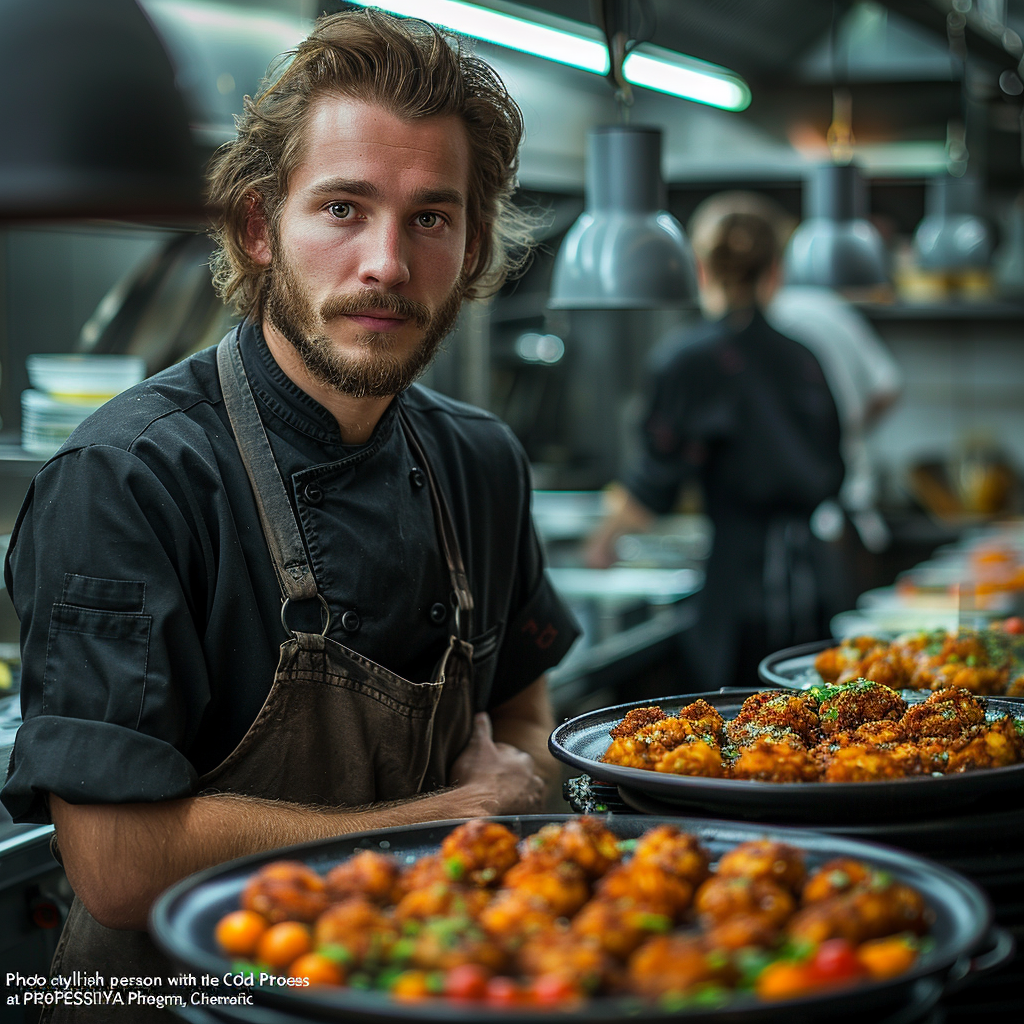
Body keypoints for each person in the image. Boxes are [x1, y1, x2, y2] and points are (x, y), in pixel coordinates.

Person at [1, 10, 579, 1018]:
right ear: (260, 228)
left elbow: (523, 713)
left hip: (422, 984)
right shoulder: (129, 477)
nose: (388, 264)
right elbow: (116, 862)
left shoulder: (480, 463)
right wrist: (453, 813)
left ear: (472, 242)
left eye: (430, 218)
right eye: (344, 208)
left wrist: (518, 781)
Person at [585, 195, 845, 691]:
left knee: (738, 735)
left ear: (699, 270)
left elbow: (655, 479)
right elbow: (834, 467)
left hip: (738, 595)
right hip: (816, 585)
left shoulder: (689, 359)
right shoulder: (803, 359)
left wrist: (600, 543)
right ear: (775, 271)